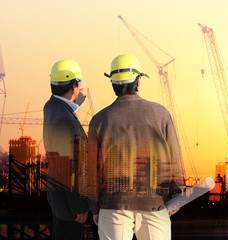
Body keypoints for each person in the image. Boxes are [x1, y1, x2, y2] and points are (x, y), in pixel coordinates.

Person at [87, 54, 184, 240]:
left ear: (113, 84)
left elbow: (91, 171)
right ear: (138, 81)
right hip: (155, 203)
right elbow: (175, 159)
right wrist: (176, 197)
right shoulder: (160, 114)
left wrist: (94, 207)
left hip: (113, 205)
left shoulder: (98, 121)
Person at [43, 59, 90, 240]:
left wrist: (78, 99)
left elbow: (63, 107)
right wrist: (79, 206)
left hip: (58, 197)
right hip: (69, 205)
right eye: (78, 84)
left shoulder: (51, 107)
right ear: (74, 84)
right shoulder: (65, 120)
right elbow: (68, 167)